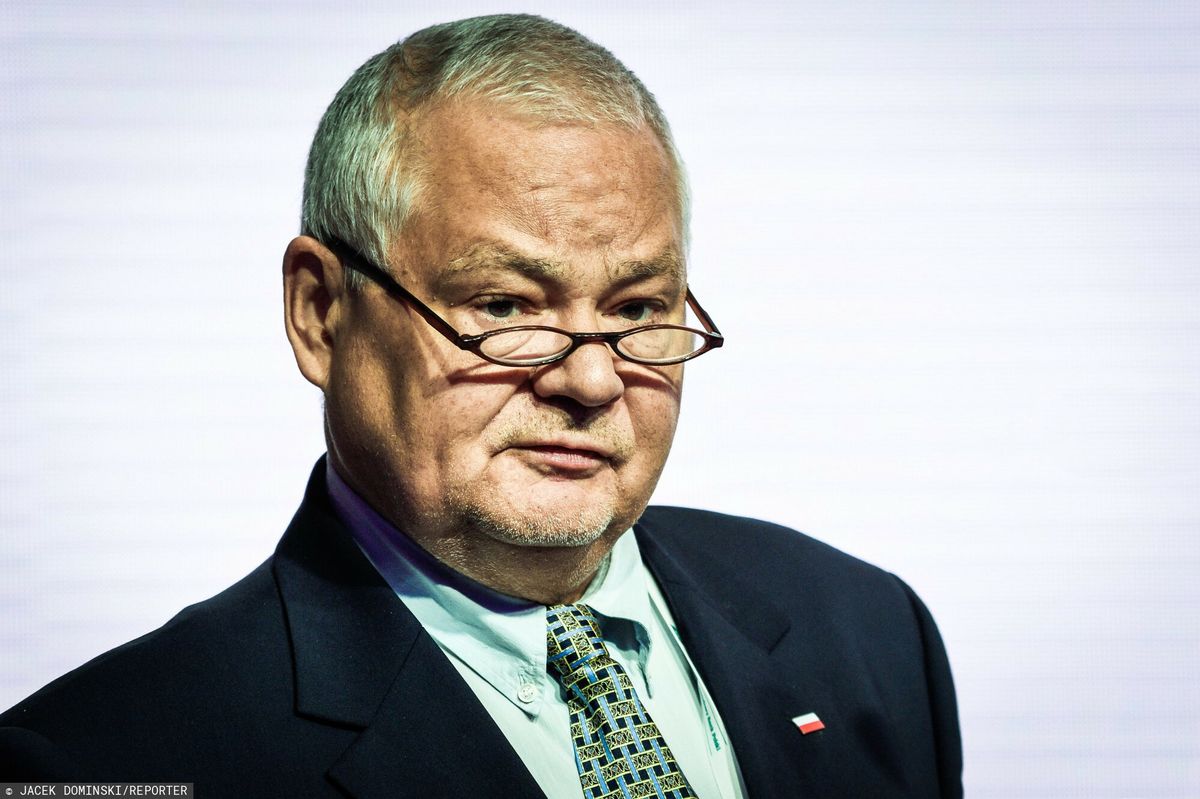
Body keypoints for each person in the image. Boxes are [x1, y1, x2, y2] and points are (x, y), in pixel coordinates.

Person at [0, 14, 962, 798]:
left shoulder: (868, 631)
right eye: (504, 307)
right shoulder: (101, 758)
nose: (591, 381)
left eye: (637, 309)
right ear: (321, 314)